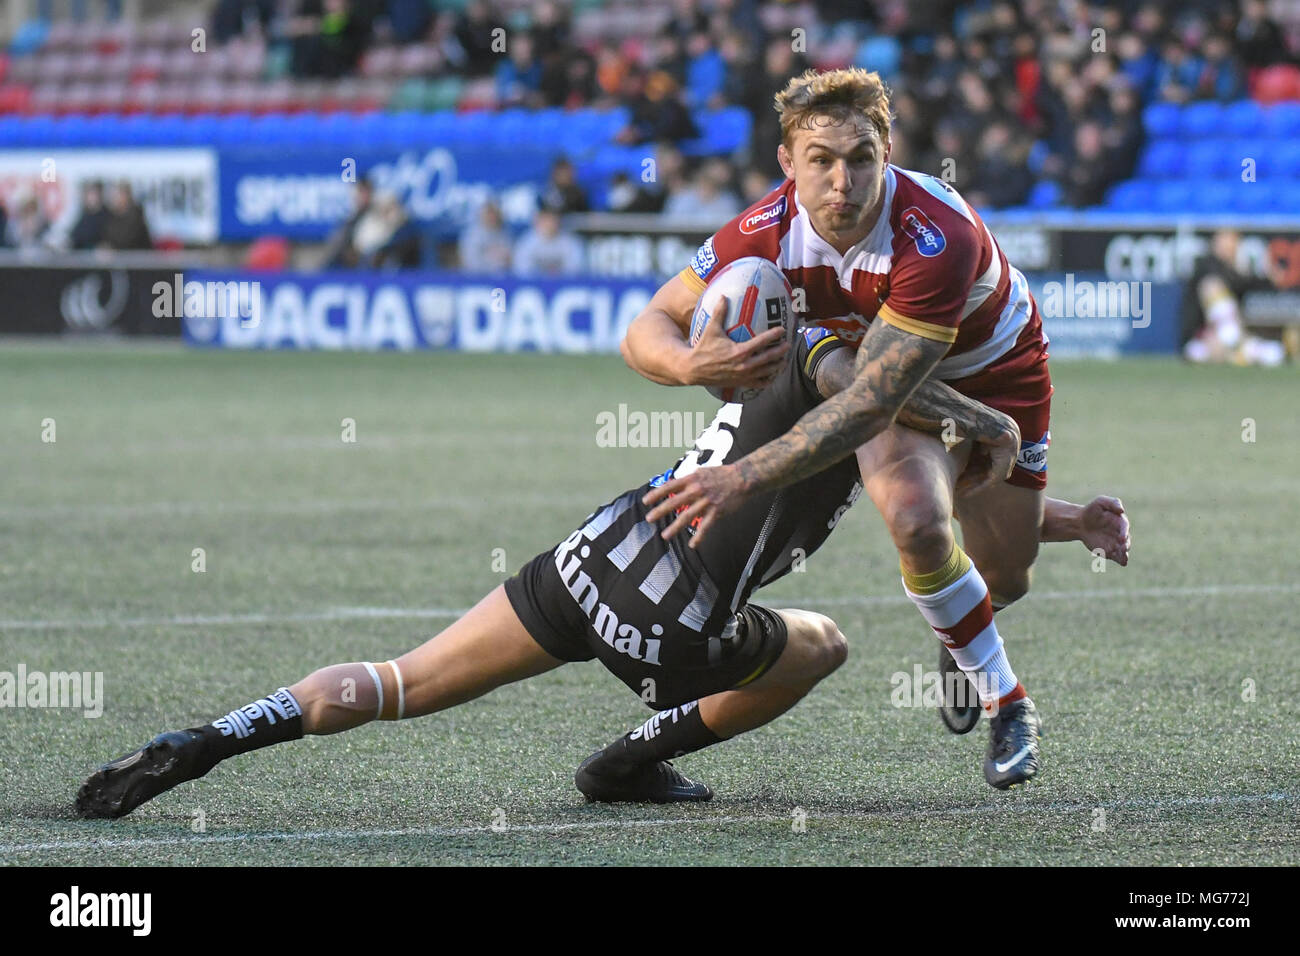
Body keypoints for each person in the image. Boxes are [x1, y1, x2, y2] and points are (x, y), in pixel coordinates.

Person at [75, 327, 1126, 818]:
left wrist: (1070, 518)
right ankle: (626, 761)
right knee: (820, 644)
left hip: (595, 555)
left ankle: (207, 738)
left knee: (398, 679)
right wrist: (976, 416)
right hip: (673, 621)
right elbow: (892, 447)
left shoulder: (783, 349)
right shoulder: (850, 377)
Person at [621, 68, 1068, 788]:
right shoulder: (764, 228)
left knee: (1005, 572)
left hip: (996, 372)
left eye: (861, 158)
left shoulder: (932, 236)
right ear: (787, 163)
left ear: (886, 154)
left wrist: (741, 477)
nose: (843, 182)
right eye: (821, 160)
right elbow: (646, 324)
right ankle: (1009, 704)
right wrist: (687, 362)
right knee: (919, 520)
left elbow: (867, 405)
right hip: (879, 370)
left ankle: (962, 634)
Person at [1182, 229, 1286, 367]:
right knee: (1212, 286)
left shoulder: (1235, 272)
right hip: (1202, 337)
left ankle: (1233, 348)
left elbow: (1249, 282)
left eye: (1234, 241)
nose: (1230, 246)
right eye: (1226, 240)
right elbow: (1218, 281)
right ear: (1216, 242)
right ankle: (1234, 345)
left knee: (1274, 353)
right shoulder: (1205, 265)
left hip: (1225, 339)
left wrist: (1270, 278)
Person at [511, 208, 584, 277]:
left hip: (563, 284)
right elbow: (522, 270)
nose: (549, 224)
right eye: (545, 220)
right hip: (534, 284)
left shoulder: (570, 242)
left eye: (552, 220)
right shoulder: (526, 242)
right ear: (537, 222)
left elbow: (575, 270)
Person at [458, 200, 514, 274]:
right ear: (481, 215)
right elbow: (471, 263)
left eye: (494, 214)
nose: (491, 217)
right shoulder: (471, 235)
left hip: (503, 277)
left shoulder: (505, 233)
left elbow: (512, 259)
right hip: (478, 278)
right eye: (488, 214)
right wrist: (492, 260)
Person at [102, 181, 152, 251]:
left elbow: (126, 241)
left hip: (138, 259)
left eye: (117, 195)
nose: (113, 198)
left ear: (126, 195)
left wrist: (111, 248)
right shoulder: (111, 217)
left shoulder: (136, 217)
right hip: (119, 260)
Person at [68, 180, 108, 251]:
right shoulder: (83, 216)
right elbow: (75, 237)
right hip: (82, 258)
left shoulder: (106, 216)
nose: (91, 197)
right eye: (88, 194)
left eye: (93, 194)